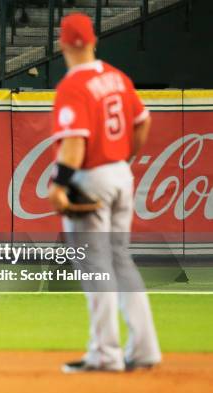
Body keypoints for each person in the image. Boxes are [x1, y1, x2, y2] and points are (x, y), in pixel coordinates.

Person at [47, 13, 160, 373]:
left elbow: (75, 144)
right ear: (94, 40)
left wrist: (60, 184)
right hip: (120, 175)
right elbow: (143, 122)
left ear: (63, 44)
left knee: (96, 268)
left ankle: (104, 354)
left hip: (90, 178)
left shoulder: (72, 86)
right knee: (121, 261)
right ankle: (144, 350)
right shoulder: (116, 77)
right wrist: (123, 159)